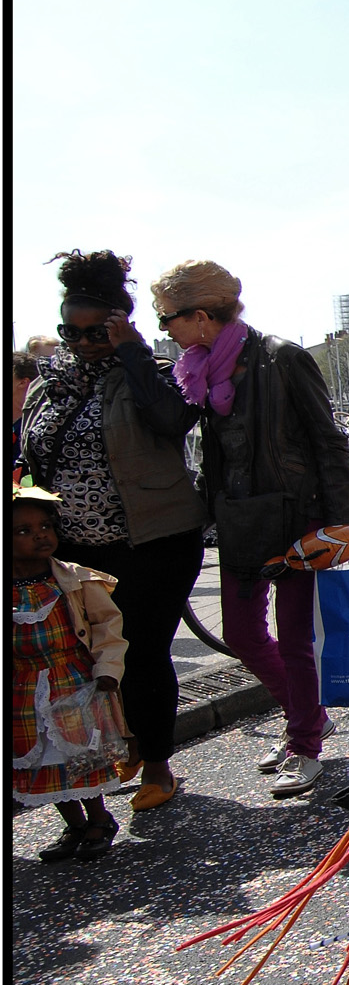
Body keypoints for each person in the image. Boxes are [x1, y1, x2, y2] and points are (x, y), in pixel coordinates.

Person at [157, 259, 349, 798]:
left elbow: (328, 439)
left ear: (200, 315)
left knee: (295, 639)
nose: (166, 331)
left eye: (168, 319)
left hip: (296, 516)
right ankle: (308, 717)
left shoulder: (281, 358)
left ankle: (305, 742)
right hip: (240, 520)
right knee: (243, 633)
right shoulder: (201, 370)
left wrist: (342, 523)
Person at [18, 250, 207, 813]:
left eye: (95, 329)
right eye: (68, 331)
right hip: (75, 551)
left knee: (145, 653)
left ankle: (157, 764)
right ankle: (123, 747)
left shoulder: (150, 372)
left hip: (152, 542)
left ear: (121, 321)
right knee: (94, 659)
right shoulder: (48, 384)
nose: (81, 341)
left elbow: (173, 422)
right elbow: (30, 456)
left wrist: (128, 350)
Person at [13, 483, 128, 862]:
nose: (40, 536)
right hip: (25, 688)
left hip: (71, 684)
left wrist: (108, 669)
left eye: (45, 526)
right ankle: (73, 823)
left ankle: (98, 819)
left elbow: (107, 626)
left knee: (80, 757)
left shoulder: (75, 581)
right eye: (24, 531)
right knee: (44, 759)